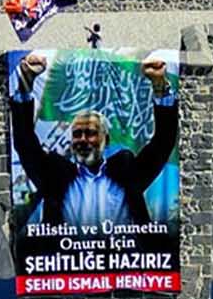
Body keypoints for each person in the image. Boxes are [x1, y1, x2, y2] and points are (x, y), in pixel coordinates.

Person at [11, 53, 178, 226]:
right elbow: (25, 143)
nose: (83, 140)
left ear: (105, 139)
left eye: (90, 133)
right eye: (77, 134)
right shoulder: (54, 176)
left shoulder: (127, 172)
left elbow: (163, 143)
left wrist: (160, 87)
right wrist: (26, 84)